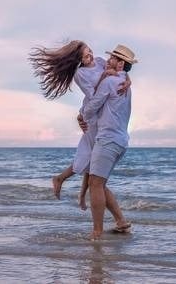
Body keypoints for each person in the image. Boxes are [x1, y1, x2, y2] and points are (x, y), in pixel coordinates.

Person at [28, 40, 129, 209]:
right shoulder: (80, 74)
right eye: (85, 55)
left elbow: (120, 69)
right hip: (94, 115)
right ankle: (65, 183)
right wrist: (103, 79)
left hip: (100, 113)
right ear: (78, 59)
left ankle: (77, 193)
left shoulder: (100, 61)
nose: (90, 56)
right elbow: (93, 95)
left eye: (89, 51)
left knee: (91, 159)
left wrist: (128, 80)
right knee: (89, 157)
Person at [80, 44, 137, 240]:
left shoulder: (110, 81)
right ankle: (121, 222)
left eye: (113, 58)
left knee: (95, 184)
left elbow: (91, 108)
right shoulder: (125, 83)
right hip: (120, 141)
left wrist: (82, 115)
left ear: (120, 64)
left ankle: (97, 232)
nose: (109, 61)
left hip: (107, 139)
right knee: (100, 184)